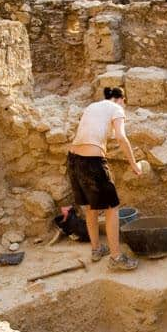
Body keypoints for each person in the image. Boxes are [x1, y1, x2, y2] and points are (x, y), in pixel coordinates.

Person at [67, 86, 142, 271]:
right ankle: (116, 258)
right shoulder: (116, 108)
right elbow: (121, 137)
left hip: (73, 160)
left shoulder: (92, 106)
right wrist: (134, 164)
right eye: (124, 102)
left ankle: (97, 249)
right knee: (112, 208)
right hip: (92, 162)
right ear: (120, 99)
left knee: (91, 208)